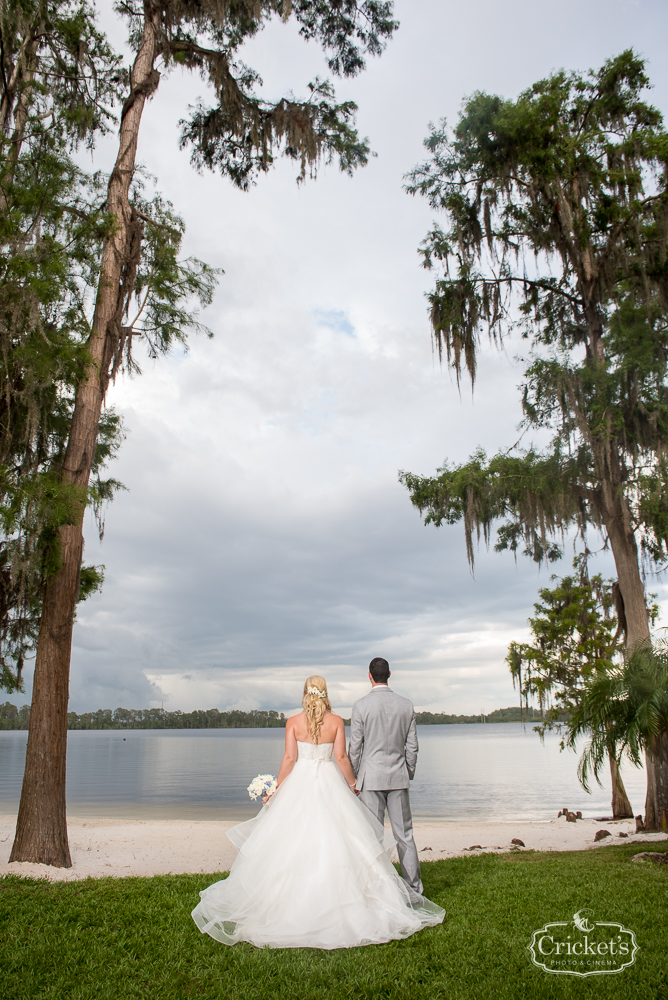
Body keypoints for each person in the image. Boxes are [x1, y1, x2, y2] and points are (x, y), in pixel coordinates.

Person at [191, 674, 444, 949]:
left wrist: (276, 789)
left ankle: (288, 905)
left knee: (291, 841)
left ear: (305, 693)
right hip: (329, 781)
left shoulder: (293, 723)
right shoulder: (335, 721)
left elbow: (289, 759)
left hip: (299, 782)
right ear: (325, 693)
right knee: (342, 839)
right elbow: (342, 758)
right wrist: (352, 784)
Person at [348, 657, 422, 893]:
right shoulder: (406, 705)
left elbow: (355, 747)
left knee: (373, 836)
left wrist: (354, 778)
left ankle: (376, 889)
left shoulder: (361, 706)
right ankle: (414, 889)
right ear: (389, 674)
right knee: (405, 835)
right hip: (398, 776)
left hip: (370, 778)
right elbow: (412, 747)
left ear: (369, 676)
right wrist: (407, 772)